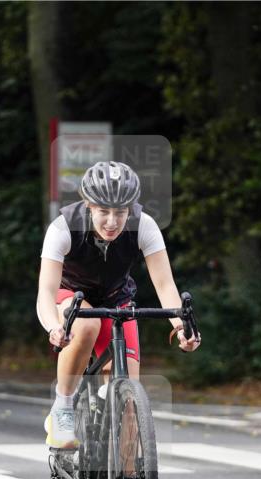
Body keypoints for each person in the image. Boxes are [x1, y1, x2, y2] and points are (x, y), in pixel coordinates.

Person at [36, 160, 201, 452]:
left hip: (117, 300)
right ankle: (62, 408)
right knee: (86, 323)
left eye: (121, 212)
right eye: (103, 212)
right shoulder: (62, 227)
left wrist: (181, 327)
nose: (112, 222)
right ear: (88, 205)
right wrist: (53, 326)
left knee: (128, 401)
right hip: (70, 297)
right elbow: (46, 292)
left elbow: (165, 285)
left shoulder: (144, 225)